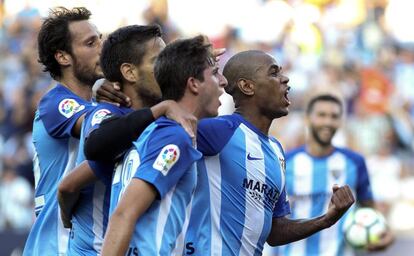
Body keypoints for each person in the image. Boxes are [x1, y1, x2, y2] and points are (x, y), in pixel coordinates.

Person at [182, 50, 355, 255]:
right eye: (274, 73)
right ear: (247, 86)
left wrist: (326, 219)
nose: (285, 79)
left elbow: (275, 231)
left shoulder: (276, 151)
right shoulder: (218, 131)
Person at [57, 24, 196, 255]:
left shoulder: (156, 124)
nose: (166, 69)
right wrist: (68, 222)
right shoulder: (107, 115)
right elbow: (68, 185)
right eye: (157, 61)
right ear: (130, 72)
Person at [101, 35, 227, 256]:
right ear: (193, 84)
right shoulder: (175, 136)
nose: (224, 82)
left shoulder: (149, 130)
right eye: (215, 74)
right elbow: (124, 214)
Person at [24, 7, 103, 255]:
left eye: (100, 39)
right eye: (91, 43)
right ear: (63, 57)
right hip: (57, 245)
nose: (102, 48)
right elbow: (102, 132)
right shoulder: (55, 103)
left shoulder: (97, 106)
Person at [277, 93, 394, 256]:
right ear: (307, 119)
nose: (328, 122)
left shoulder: (355, 162)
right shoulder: (285, 162)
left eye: (334, 116)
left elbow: (370, 209)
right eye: (321, 115)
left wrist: (386, 234)